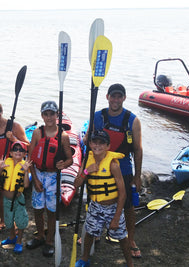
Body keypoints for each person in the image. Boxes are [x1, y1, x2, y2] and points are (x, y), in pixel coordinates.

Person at [92, 83, 143, 258]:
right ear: (107, 97)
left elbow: (137, 149)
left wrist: (137, 176)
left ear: (124, 98)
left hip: (123, 169)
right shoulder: (98, 116)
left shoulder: (132, 120)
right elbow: (88, 141)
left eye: (119, 96)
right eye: (112, 96)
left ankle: (131, 239)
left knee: (128, 205)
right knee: (95, 200)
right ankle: (94, 233)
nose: (115, 99)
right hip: (99, 169)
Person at [74, 130, 133, 267]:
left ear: (108, 146)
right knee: (89, 233)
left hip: (112, 207)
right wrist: (87, 171)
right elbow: (76, 184)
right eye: (94, 142)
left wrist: (117, 216)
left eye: (102, 143)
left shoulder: (113, 164)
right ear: (90, 143)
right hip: (95, 205)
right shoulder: (86, 160)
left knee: (122, 237)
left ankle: (130, 263)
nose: (97, 146)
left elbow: (122, 192)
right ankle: (84, 258)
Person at [27, 100, 73, 257]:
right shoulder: (37, 133)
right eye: (46, 114)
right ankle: (40, 235)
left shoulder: (63, 136)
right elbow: (30, 157)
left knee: (51, 211)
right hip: (39, 174)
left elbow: (70, 160)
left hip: (53, 176)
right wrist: (35, 178)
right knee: (38, 209)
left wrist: (63, 164)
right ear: (42, 115)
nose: (49, 117)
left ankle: (49, 241)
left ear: (57, 115)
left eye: (52, 114)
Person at [0, 100, 29, 234]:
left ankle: (15, 223)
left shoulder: (14, 126)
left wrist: (14, 139)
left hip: (13, 167)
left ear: (1, 111)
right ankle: (3, 221)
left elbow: (27, 145)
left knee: (14, 194)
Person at [0, 141, 32, 254]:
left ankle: (19, 241)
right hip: (6, 199)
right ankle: (12, 237)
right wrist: (0, 168)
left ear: (24, 154)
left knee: (20, 221)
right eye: (15, 150)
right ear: (11, 153)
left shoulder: (24, 165)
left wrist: (26, 171)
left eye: (21, 150)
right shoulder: (6, 163)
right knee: (8, 221)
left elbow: (26, 185)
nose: (18, 151)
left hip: (18, 199)